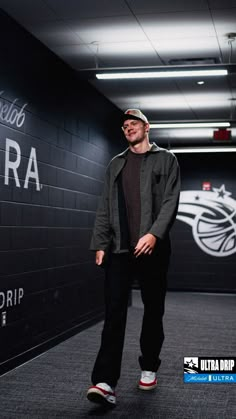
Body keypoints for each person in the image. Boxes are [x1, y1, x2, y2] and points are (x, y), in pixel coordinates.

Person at [86, 109, 180, 408]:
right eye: (125, 126)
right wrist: (101, 243)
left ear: (146, 127)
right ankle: (104, 382)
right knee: (114, 313)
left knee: (153, 310)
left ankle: (149, 365)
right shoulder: (116, 163)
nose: (129, 128)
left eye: (134, 124)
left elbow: (170, 201)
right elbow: (104, 206)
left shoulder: (166, 159)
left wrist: (154, 234)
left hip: (153, 248)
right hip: (119, 249)